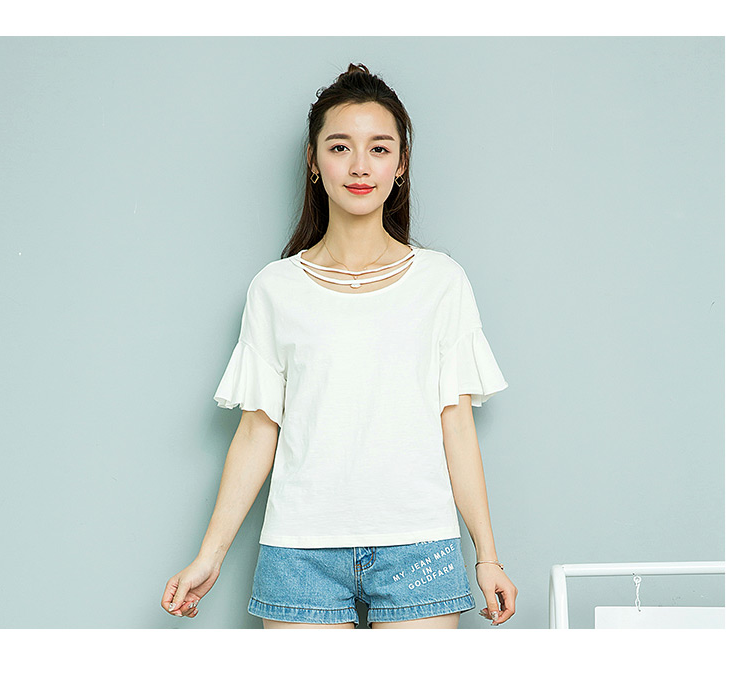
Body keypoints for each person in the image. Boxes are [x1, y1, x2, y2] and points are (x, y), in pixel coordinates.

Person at [161, 63, 518, 629]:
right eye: (339, 146)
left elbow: (456, 424)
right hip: (298, 550)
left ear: (401, 164)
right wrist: (210, 555)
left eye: (379, 148)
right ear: (313, 160)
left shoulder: (442, 282)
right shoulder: (274, 289)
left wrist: (487, 556)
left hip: (420, 544)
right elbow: (257, 430)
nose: (359, 166)